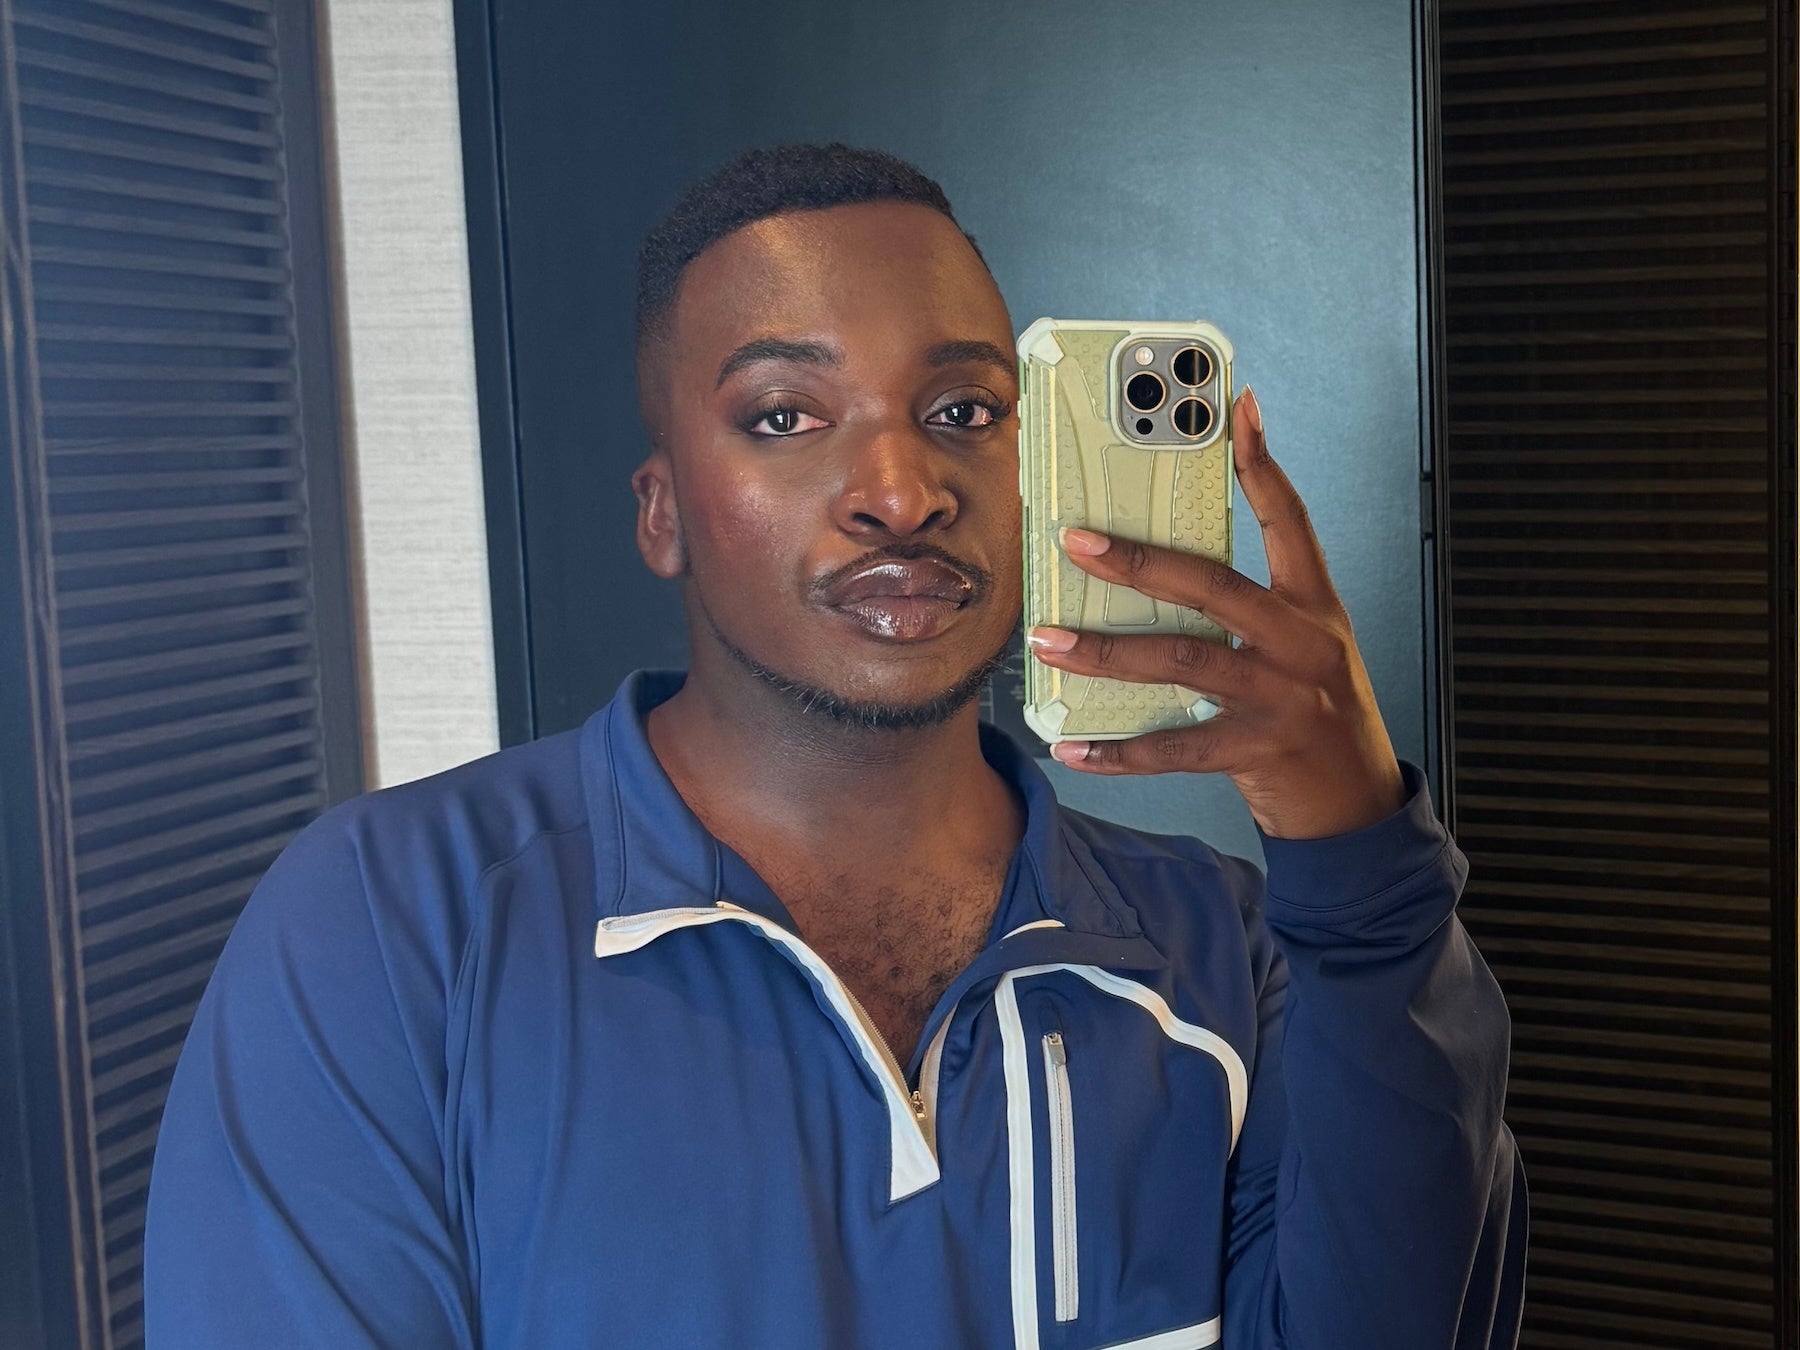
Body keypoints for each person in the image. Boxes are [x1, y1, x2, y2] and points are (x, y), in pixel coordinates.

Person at [144, 143, 1526, 1349]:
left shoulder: (1232, 954)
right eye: (785, 417)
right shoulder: (389, 930)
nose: (901, 491)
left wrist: (1359, 856)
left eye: (965, 412)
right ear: (663, 512)